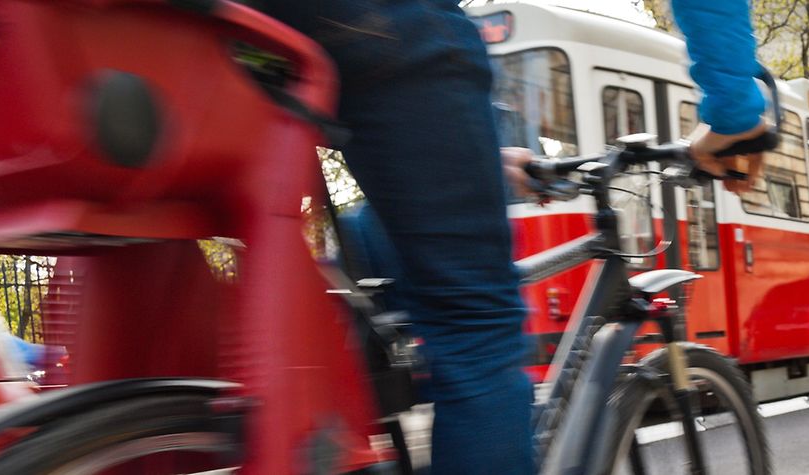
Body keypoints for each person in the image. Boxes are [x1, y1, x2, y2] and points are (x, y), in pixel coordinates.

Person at [250, 1, 769, 473]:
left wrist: (478, 162)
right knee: (475, 326)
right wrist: (735, 113)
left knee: (363, 276)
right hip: (371, 22)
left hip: (227, 34)